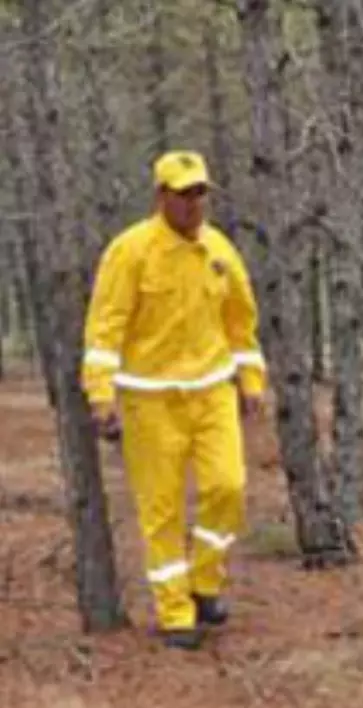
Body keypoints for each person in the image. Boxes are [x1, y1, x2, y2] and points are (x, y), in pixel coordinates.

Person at [81, 150, 267, 650]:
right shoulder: (130, 252)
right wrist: (101, 394)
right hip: (150, 401)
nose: (193, 203)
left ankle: (206, 581)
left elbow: (241, 322)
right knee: (160, 510)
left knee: (227, 487)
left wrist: (251, 381)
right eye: (183, 194)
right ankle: (176, 611)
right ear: (160, 196)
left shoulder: (220, 251)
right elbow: (106, 326)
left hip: (211, 393)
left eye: (200, 193)